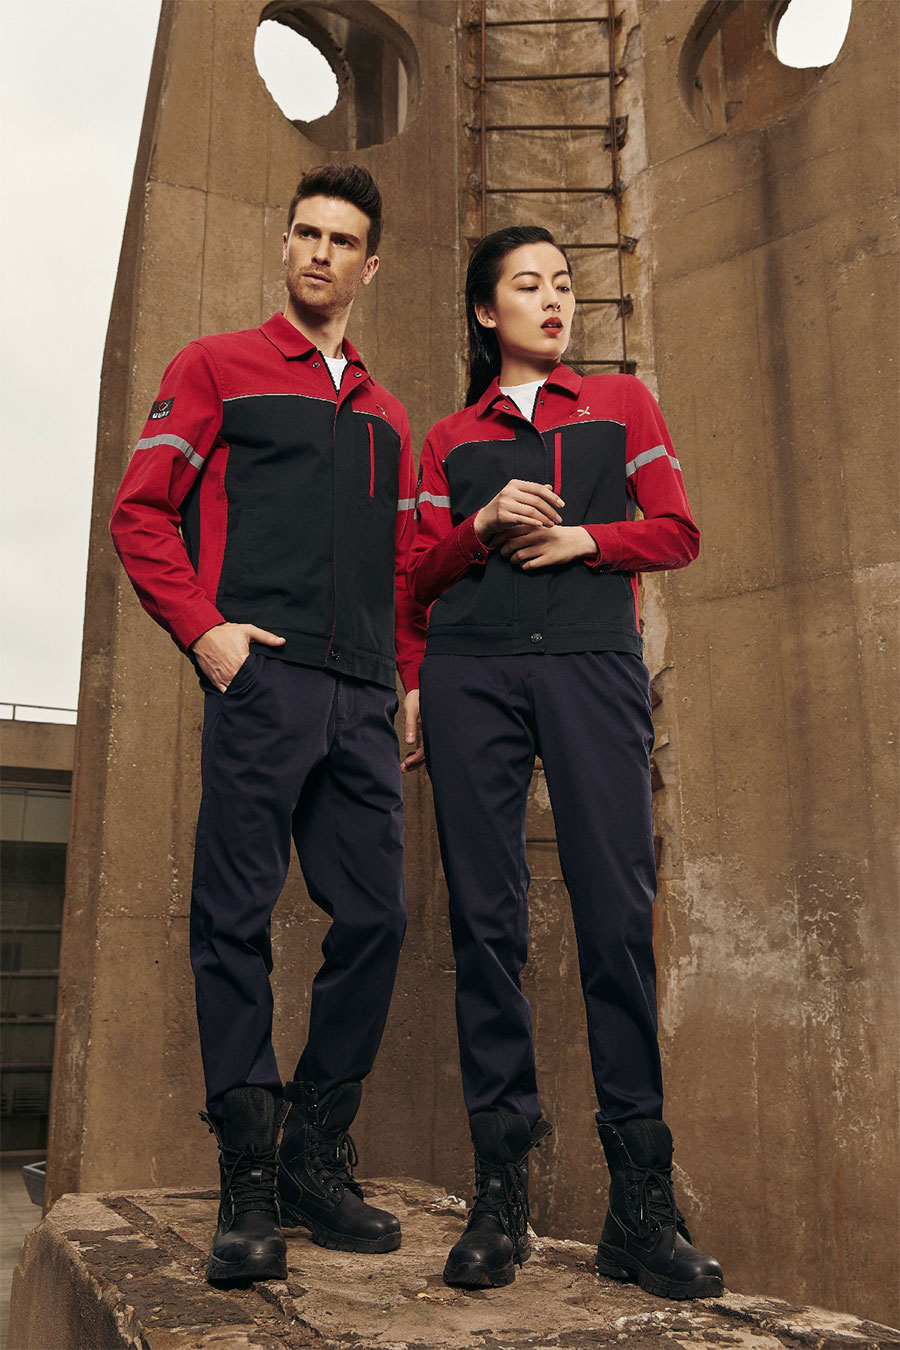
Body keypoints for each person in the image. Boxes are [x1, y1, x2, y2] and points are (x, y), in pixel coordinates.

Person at [110, 164, 426, 1287]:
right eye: (305, 232)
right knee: (233, 918)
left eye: (342, 240)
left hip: (364, 693)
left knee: (378, 915)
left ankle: (311, 1155)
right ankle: (247, 1175)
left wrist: (410, 678)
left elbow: (402, 565)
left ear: (369, 267)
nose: (320, 252)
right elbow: (141, 512)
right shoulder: (215, 368)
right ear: (285, 244)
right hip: (264, 679)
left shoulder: (389, 415)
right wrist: (207, 633)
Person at [409, 225, 724, 1300]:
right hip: (471, 672)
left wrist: (588, 539)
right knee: (485, 925)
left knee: (616, 919)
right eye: (528, 285)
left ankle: (641, 1207)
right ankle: (502, 1198)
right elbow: (415, 575)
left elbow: (678, 531)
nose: (554, 300)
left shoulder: (622, 406)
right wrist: (482, 524)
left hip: (592, 665)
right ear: (485, 311)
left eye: (564, 284)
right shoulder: (449, 438)